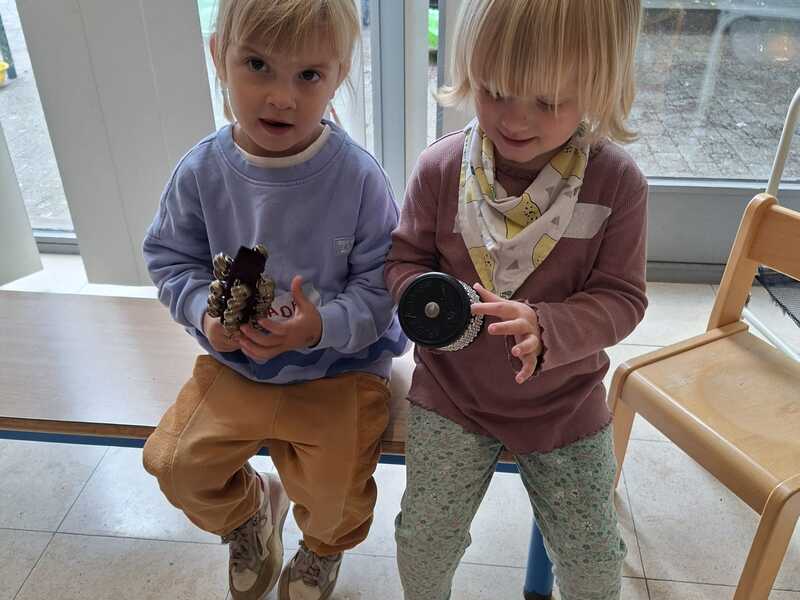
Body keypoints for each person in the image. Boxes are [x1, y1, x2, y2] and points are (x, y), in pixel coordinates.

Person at [141, 1, 406, 599]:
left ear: (337, 75)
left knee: (338, 493)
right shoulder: (202, 171)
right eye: (258, 65)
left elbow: (383, 287)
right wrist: (203, 314)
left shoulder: (359, 178)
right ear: (219, 57)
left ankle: (319, 550)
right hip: (236, 364)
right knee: (174, 464)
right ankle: (252, 511)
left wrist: (321, 326)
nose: (281, 97)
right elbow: (168, 259)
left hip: (338, 369)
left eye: (308, 75)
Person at [385, 1, 647, 598]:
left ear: (598, 88)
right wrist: (427, 301)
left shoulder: (617, 185)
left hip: (563, 400)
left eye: (549, 102)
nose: (515, 119)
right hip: (455, 394)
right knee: (422, 544)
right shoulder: (439, 170)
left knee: (593, 563)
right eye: (496, 90)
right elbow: (402, 262)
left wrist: (549, 326)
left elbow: (623, 299)